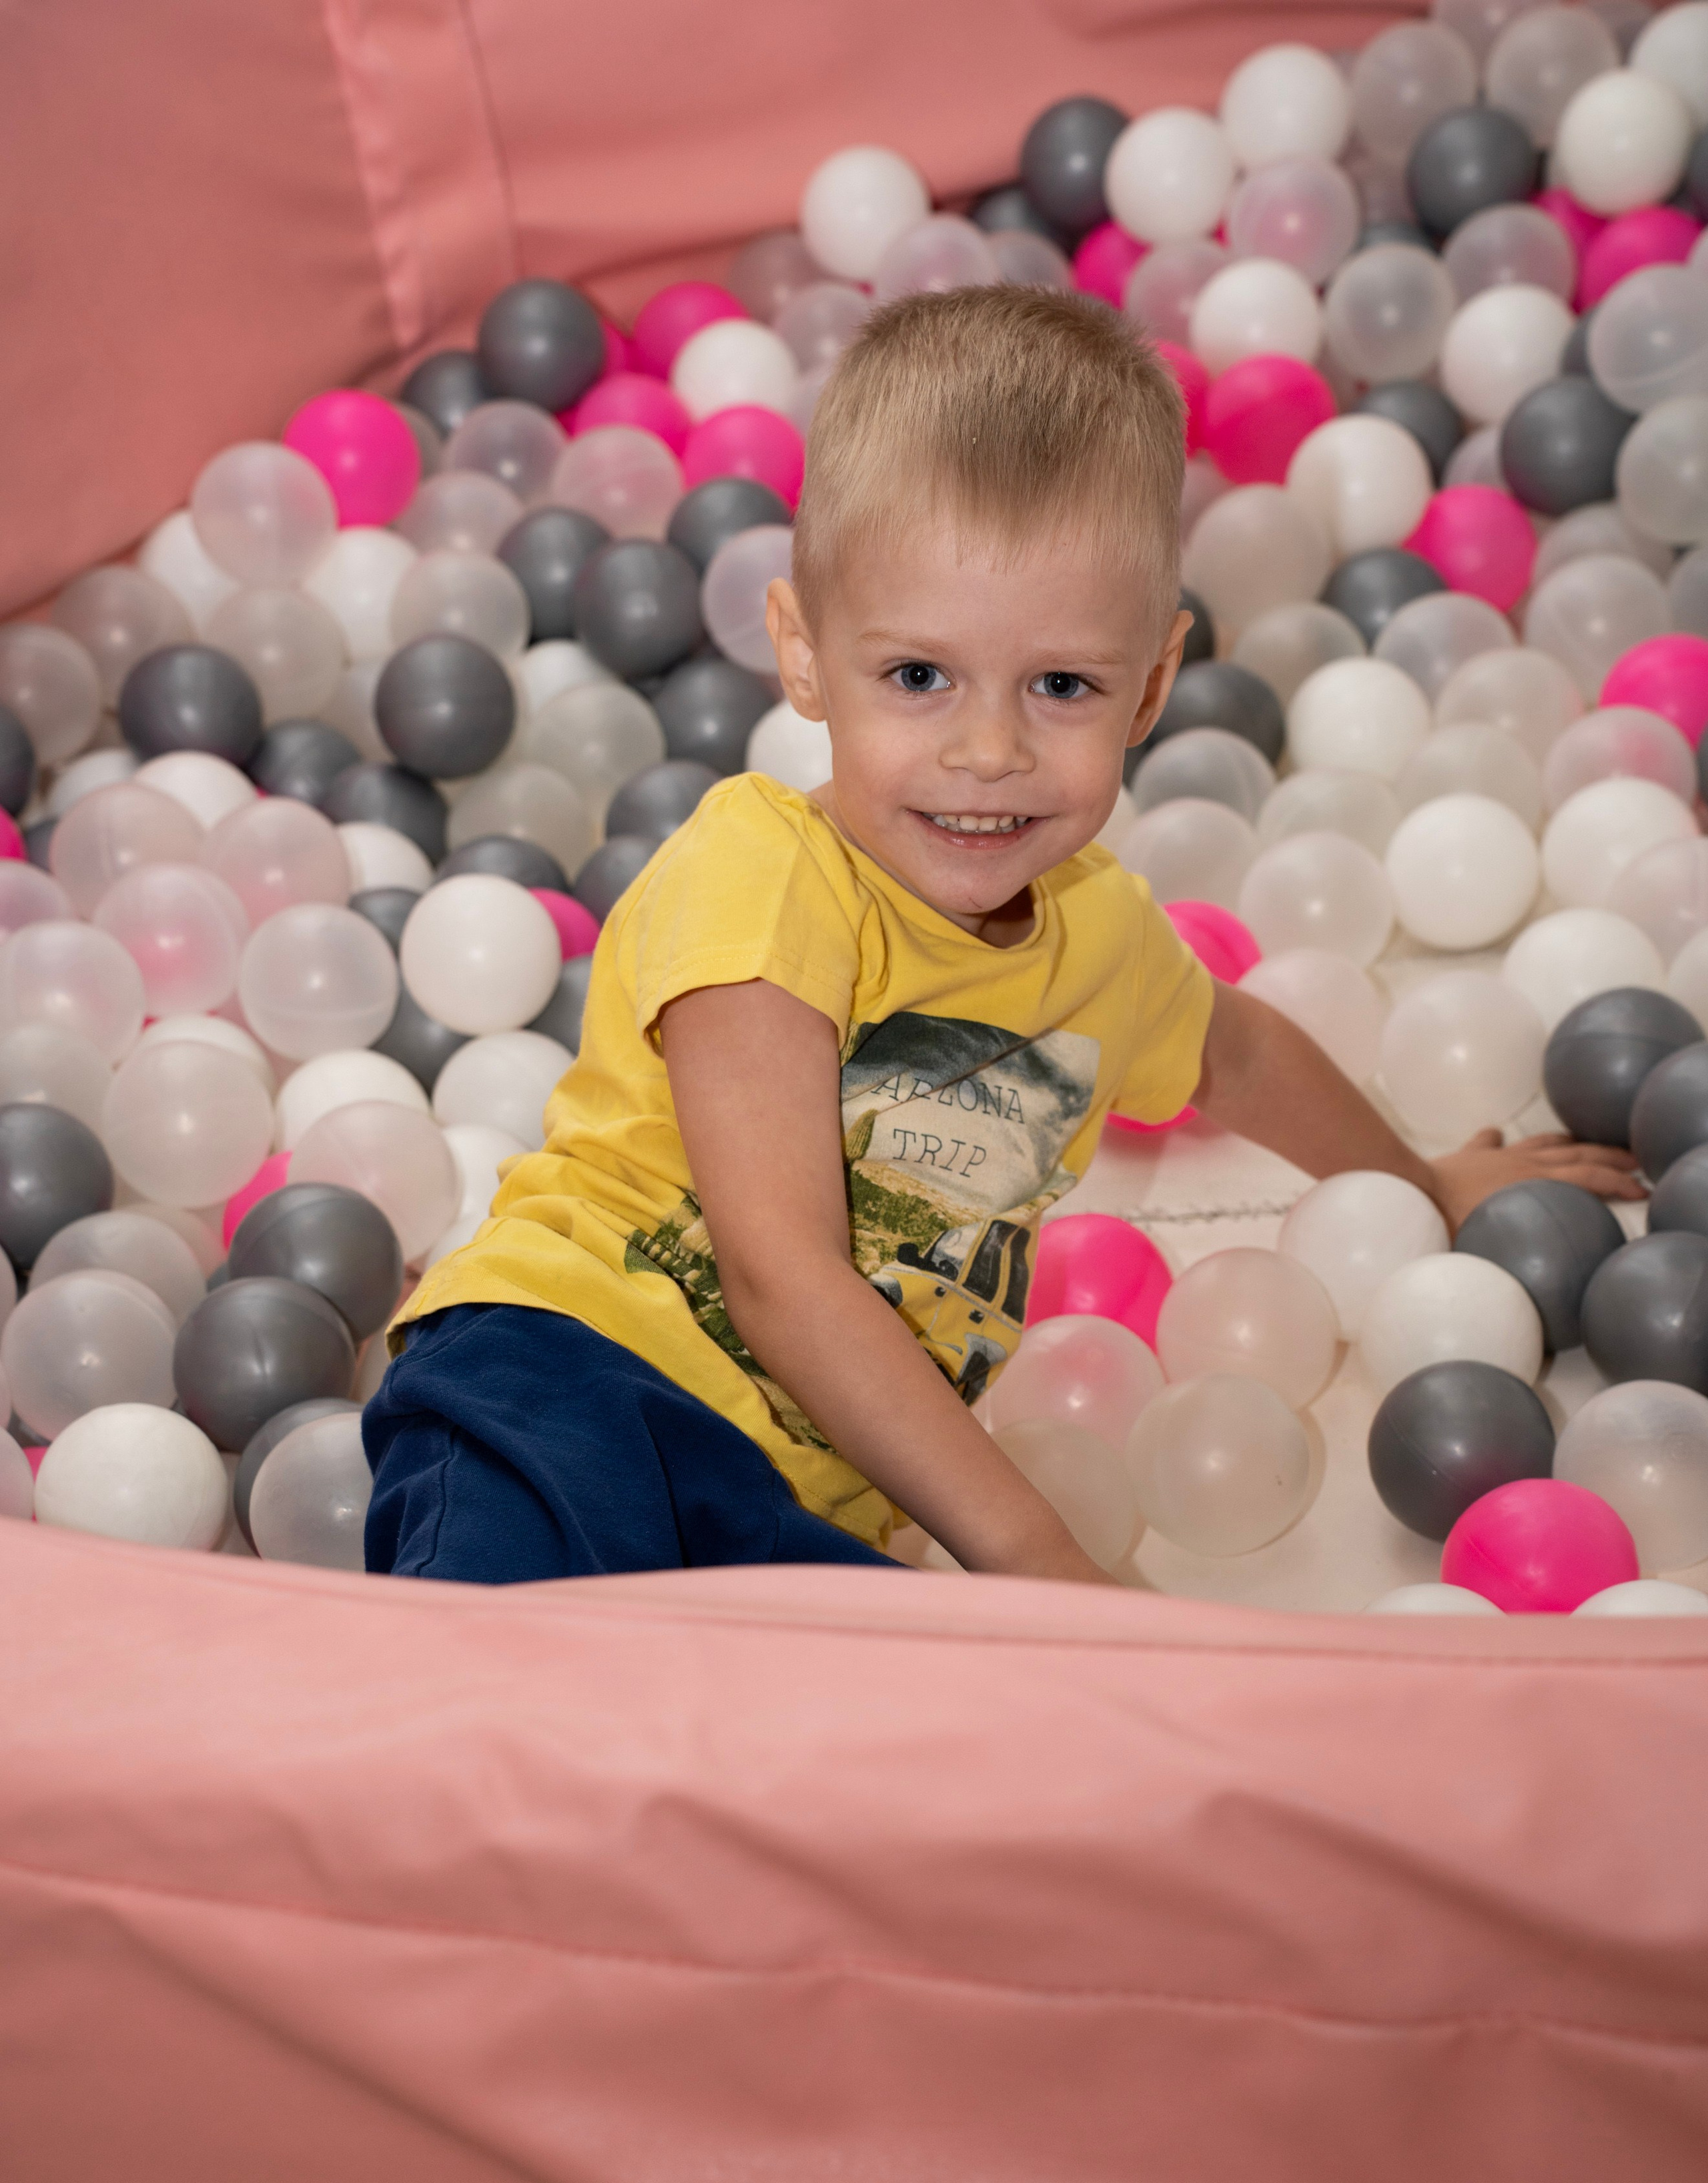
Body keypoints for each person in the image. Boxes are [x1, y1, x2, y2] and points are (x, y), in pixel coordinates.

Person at [363, 285, 1637, 1588]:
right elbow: (780, 1278)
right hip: (568, 1381)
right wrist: (1033, 1554)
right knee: (481, 1704)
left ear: (1148, 684)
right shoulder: (761, 878)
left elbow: (1236, 1057)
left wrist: (1419, 1189)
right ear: (801, 654)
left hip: (807, 1507)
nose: (987, 753)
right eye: (917, 676)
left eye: (1061, 686)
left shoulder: (1097, 932)